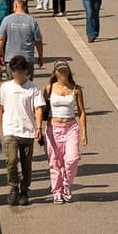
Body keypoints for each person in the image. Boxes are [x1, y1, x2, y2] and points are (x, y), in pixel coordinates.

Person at [0, 56, 45, 208]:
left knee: (26, 164)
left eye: (19, 71)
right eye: (14, 71)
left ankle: (24, 190)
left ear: (25, 71)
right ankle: (13, 186)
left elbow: (38, 108)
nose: (16, 74)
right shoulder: (5, 87)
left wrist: (39, 127)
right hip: (10, 131)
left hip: (28, 132)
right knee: (12, 160)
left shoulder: (33, 88)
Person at [42, 61, 88, 203]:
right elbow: (41, 108)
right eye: (60, 70)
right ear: (55, 72)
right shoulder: (49, 88)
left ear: (68, 72)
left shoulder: (76, 89)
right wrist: (37, 127)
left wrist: (84, 133)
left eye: (65, 70)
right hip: (53, 127)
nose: (62, 73)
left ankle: (67, 185)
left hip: (71, 127)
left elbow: (81, 111)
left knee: (72, 159)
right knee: (55, 161)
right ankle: (57, 191)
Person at [0, 0, 42, 76]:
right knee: (27, 86)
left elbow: (0, 39)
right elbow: (38, 41)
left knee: (12, 86)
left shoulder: (7, 20)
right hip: (27, 59)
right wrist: (40, 56)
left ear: (15, 5)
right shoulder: (32, 21)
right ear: (25, 7)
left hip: (11, 59)